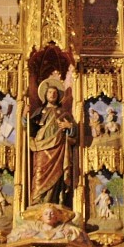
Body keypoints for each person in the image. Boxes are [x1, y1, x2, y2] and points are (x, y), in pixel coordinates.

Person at [27, 77, 76, 205]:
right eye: (49, 92)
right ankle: (37, 201)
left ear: (58, 96)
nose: (52, 94)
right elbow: (29, 129)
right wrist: (24, 115)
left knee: (57, 174)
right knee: (39, 173)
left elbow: (74, 134)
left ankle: (54, 201)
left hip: (58, 147)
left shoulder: (63, 112)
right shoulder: (39, 111)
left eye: (55, 93)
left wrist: (69, 127)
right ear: (45, 94)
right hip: (41, 146)